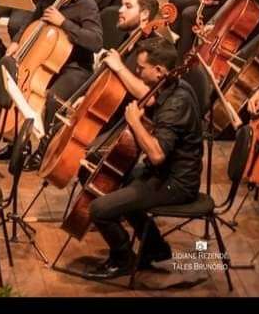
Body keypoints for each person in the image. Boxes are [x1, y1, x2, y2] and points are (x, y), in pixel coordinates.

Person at [87, 37, 202, 278]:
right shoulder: (171, 86)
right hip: (159, 173)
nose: (137, 73)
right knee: (104, 175)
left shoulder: (177, 102)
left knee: (98, 208)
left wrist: (135, 122)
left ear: (159, 71)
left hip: (176, 183)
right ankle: (155, 248)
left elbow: (158, 154)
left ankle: (123, 260)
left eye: (141, 69)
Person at [6, 0, 102, 167]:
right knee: (15, 85)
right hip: (44, 61)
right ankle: (15, 141)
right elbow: (32, 21)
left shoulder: (85, 4)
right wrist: (15, 42)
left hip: (75, 67)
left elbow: (95, 41)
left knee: (51, 98)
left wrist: (64, 23)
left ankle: (43, 150)